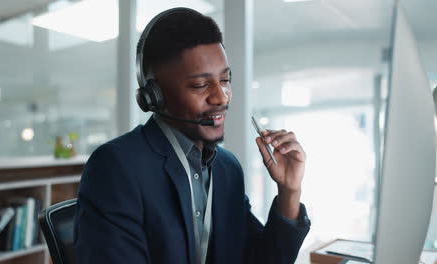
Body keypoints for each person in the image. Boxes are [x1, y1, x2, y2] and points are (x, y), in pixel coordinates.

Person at [74, 7, 310, 264]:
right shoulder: (117, 167)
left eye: (225, 80)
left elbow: (263, 260)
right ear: (155, 95)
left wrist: (289, 191)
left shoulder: (226, 168)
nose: (222, 97)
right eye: (200, 85)